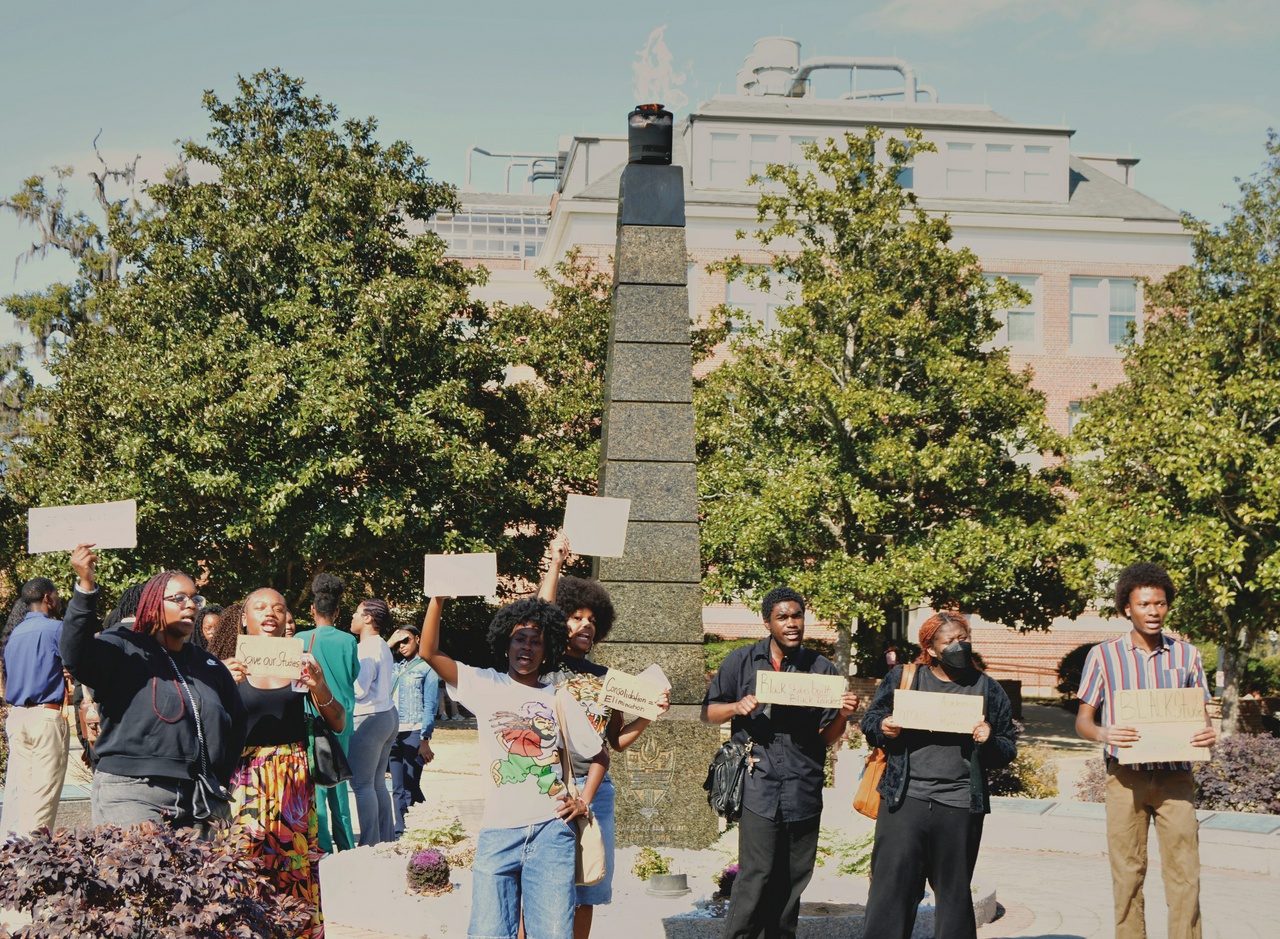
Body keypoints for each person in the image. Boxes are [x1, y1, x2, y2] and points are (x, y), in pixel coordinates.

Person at [420, 592, 607, 939]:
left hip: (552, 834)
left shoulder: (558, 697)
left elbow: (600, 756)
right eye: (520, 638)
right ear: (506, 642)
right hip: (498, 832)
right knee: (488, 932)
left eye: (537, 641)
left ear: (547, 648)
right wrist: (437, 600)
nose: (527, 647)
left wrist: (584, 801)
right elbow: (428, 652)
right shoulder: (484, 684)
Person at [701, 587, 861, 939]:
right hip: (759, 781)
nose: (791, 623)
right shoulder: (741, 661)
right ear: (767, 622)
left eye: (797, 616)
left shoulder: (821, 668)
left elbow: (826, 737)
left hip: (803, 784)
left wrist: (845, 716)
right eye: (782, 617)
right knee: (756, 873)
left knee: (794, 877)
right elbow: (709, 713)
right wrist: (736, 707)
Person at [59, 544, 247, 832]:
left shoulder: (206, 663)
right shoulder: (122, 646)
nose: (191, 605)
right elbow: (76, 655)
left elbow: (236, 722)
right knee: (139, 874)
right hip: (133, 794)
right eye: (179, 598)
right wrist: (85, 587)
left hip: (202, 799)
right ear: (153, 604)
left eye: (195, 598)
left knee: (207, 878)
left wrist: (218, 777)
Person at [1074, 562, 1217, 939]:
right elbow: (1083, 721)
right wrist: (1106, 733)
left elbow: (1200, 718)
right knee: (1127, 874)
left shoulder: (1188, 656)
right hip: (1125, 780)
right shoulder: (1103, 657)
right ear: (1127, 608)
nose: (1153, 612)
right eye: (1144, 604)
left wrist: (1207, 735)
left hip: (1175, 779)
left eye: (1160, 603)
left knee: (1185, 873)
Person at [539, 535, 669, 939]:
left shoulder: (607, 677)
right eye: (576, 617)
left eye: (592, 619)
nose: (586, 625)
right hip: (547, 787)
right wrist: (557, 564)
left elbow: (616, 742)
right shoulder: (543, 662)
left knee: (587, 887)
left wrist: (648, 715)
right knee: (542, 882)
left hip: (597, 793)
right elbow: (538, 613)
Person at [860, 611, 1017, 939]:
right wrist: (883, 727)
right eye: (950, 641)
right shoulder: (905, 678)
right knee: (890, 894)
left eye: (964, 638)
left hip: (959, 805)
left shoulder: (987, 689)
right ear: (930, 648)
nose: (960, 646)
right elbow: (871, 720)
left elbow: (1007, 749)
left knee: (955, 897)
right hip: (904, 802)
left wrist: (989, 739)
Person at [224, 587, 345, 939]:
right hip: (244, 779)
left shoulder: (300, 662)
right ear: (244, 618)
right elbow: (208, 729)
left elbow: (337, 722)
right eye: (260, 607)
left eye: (278, 607)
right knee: (243, 863)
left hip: (292, 779)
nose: (270, 613)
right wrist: (222, 687)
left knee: (293, 868)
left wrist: (319, 685)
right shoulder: (228, 667)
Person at [1, 577, 69, 838]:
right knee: (42, 800)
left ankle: (14, 863)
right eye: (57, 595)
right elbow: (76, 664)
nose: (59, 600)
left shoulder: (14, 634)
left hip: (17, 719)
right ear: (47, 598)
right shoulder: (55, 629)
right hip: (45, 717)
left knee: (22, 798)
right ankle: (33, 867)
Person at [295, 575, 358, 853]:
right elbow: (353, 674)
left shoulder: (299, 639)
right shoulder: (348, 641)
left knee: (317, 783)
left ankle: (321, 846)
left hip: (311, 717)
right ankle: (345, 844)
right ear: (337, 611)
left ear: (312, 609)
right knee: (340, 783)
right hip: (342, 716)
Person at [349, 598, 399, 846]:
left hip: (368, 717)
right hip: (387, 714)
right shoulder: (380, 645)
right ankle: (384, 839)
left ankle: (369, 843)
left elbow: (359, 689)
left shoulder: (367, 648)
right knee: (377, 782)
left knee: (361, 784)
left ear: (368, 618)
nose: (353, 617)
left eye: (356, 613)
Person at [386, 624, 439, 837]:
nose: (402, 647)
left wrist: (425, 738)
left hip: (415, 731)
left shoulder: (427, 668)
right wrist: (388, 643)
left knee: (410, 784)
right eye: (398, 643)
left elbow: (431, 705)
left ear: (418, 638)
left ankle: (422, 824)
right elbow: (373, 659)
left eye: (406, 640)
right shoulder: (394, 667)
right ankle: (401, 832)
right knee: (397, 787)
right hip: (392, 732)